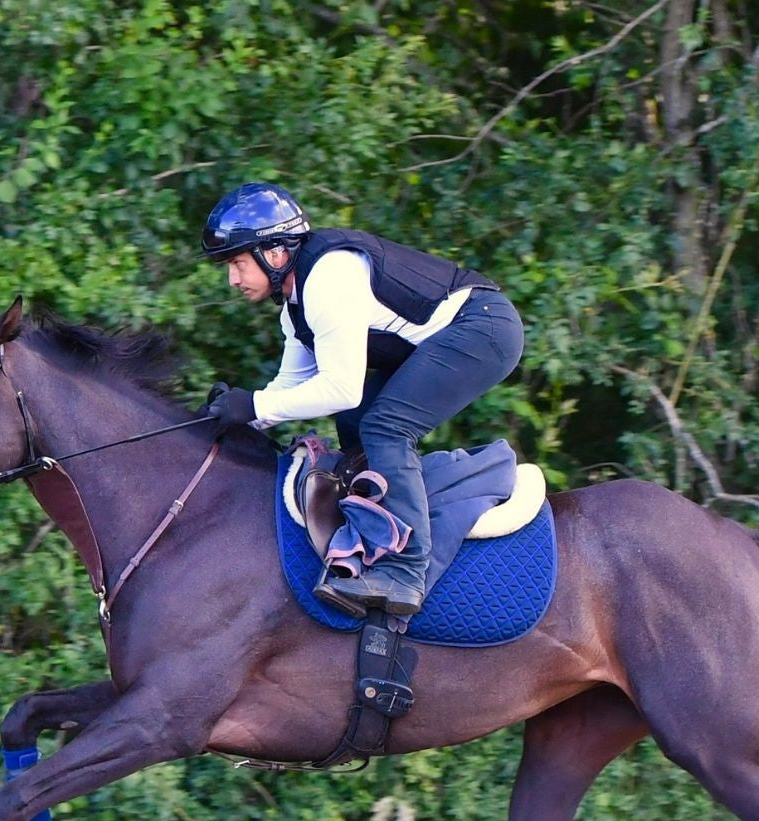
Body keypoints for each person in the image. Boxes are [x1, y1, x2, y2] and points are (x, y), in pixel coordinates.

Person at [200, 182, 524, 617]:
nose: (233, 279)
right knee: (358, 419)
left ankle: (407, 572)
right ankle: (380, 528)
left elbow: (339, 388)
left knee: (383, 426)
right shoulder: (296, 307)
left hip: (484, 329)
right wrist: (231, 421)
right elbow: (290, 389)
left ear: (275, 253)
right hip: (461, 331)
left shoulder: (329, 279)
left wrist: (255, 406)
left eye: (238, 263)